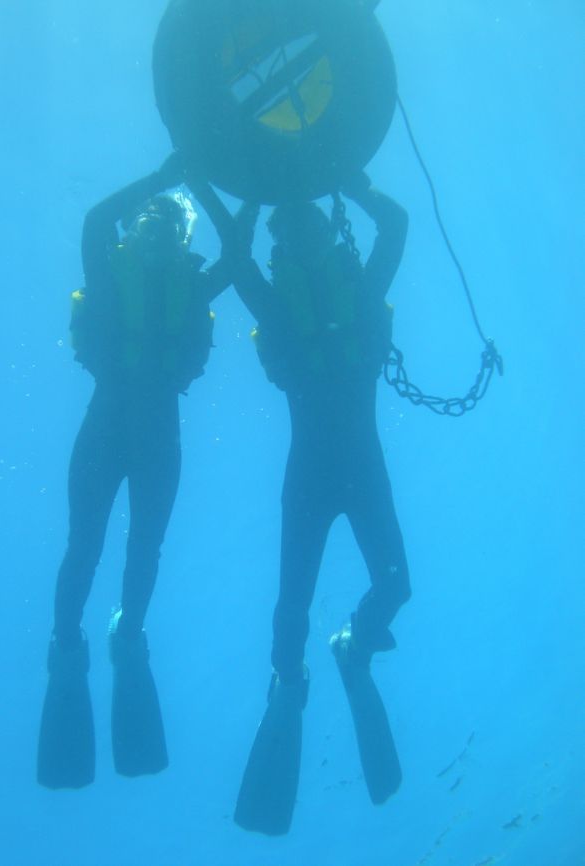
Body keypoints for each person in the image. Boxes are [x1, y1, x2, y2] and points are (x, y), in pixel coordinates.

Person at [192, 171, 411, 833]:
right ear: (280, 248)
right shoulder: (276, 304)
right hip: (310, 476)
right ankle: (290, 681)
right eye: (289, 233)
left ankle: (356, 645)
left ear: (328, 231)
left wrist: (353, 182)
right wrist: (236, 186)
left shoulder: (364, 285)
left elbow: (395, 226)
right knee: (289, 608)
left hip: (361, 468)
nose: (302, 237)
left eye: (310, 225)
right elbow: (233, 258)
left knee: (397, 586)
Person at [37, 158, 230, 789]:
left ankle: (129, 633)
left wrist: (201, 186)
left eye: (170, 226)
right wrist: (169, 175)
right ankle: (68, 644)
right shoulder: (109, 273)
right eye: (149, 221)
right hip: (108, 429)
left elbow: (239, 251)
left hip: (156, 441)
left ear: (180, 240)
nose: (156, 233)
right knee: (84, 547)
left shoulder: (192, 286)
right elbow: (96, 222)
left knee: (145, 548)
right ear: (136, 228)